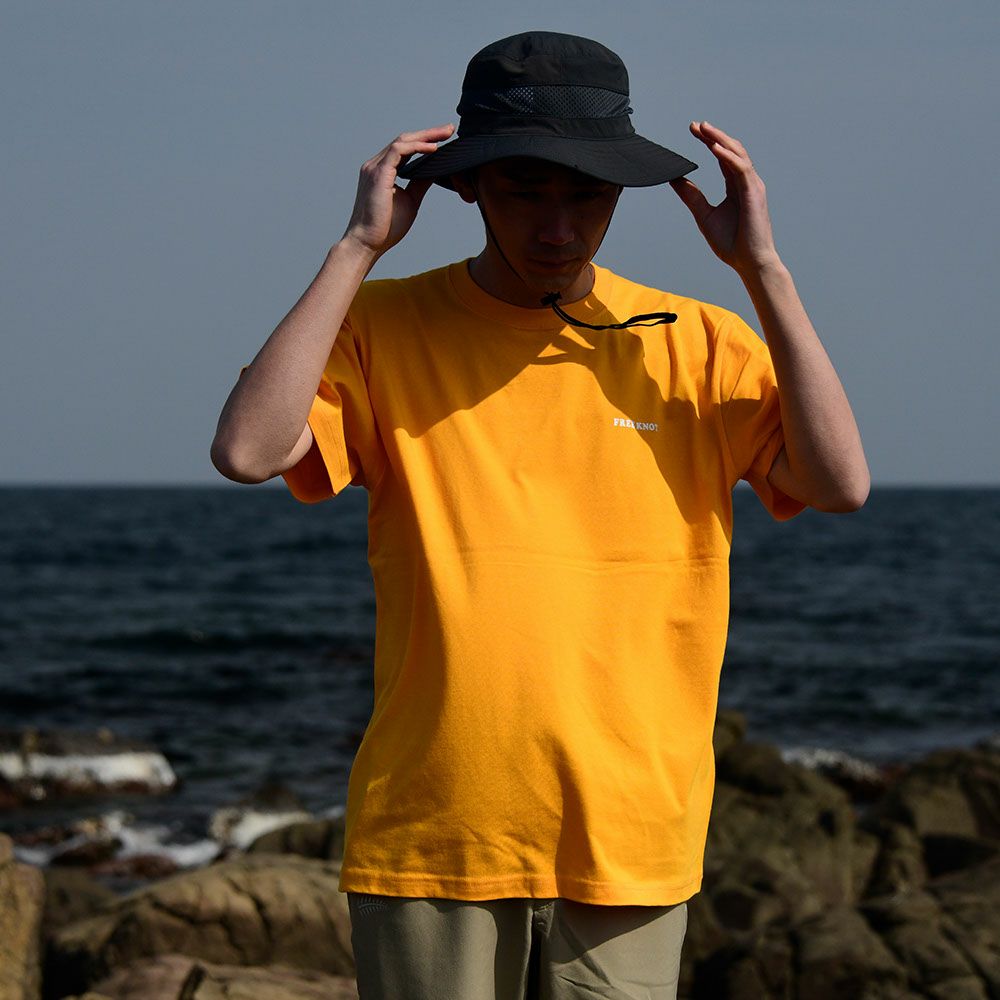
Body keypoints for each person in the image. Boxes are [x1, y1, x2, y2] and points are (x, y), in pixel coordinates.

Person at [211, 30, 869, 1000]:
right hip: (435, 831)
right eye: (525, 192)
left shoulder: (698, 342)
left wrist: (762, 269)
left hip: (630, 833)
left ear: (620, 193)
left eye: (587, 195)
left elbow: (841, 483)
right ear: (469, 188)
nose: (557, 227)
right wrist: (356, 248)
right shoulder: (381, 327)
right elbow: (247, 451)